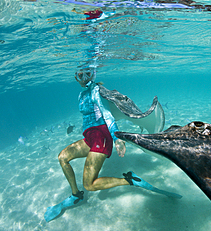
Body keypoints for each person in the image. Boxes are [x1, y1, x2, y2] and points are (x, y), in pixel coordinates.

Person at [58, 68, 147, 205]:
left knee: (89, 185)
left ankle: (130, 180)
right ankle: (76, 195)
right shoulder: (81, 95)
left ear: (93, 74)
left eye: (88, 74)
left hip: (101, 137)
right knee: (63, 157)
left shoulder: (97, 91)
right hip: (90, 138)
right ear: (76, 77)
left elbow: (107, 115)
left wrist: (117, 139)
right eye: (80, 75)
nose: (84, 78)